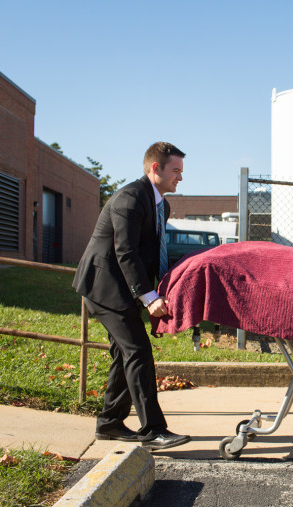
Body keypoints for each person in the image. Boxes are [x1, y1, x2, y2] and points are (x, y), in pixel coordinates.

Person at [73, 141, 191, 451]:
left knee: (125, 354)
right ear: (156, 168)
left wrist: (163, 289)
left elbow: (150, 255)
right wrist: (149, 297)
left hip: (125, 288)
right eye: (175, 171)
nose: (180, 177)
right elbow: (124, 251)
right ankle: (153, 428)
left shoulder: (161, 206)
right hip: (104, 286)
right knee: (138, 351)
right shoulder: (129, 199)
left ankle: (110, 423)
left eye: (181, 171)